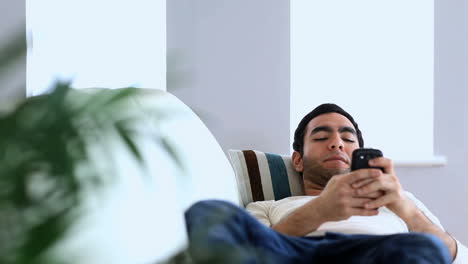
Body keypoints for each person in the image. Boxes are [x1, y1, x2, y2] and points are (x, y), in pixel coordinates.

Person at [184, 103, 467, 264]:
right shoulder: (268, 206)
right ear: (298, 161)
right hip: (293, 256)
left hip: (377, 255)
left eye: (347, 138)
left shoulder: (401, 203)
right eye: (321, 138)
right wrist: (321, 210)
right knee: (209, 211)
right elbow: (254, 248)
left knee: (423, 247)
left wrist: (403, 207)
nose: (336, 143)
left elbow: (455, 257)